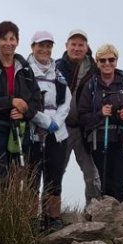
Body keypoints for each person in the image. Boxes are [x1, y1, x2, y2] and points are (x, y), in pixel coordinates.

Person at [0, 21, 42, 177]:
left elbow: (37, 99)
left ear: (17, 41)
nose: (8, 43)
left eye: (12, 39)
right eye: (4, 39)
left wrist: (24, 112)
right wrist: (10, 102)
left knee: (18, 178)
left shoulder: (25, 69)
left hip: (20, 131)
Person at [76, 43, 123, 201]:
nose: (107, 63)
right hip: (99, 140)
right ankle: (108, 214)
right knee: (105, 183)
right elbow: (82, 116)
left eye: (111, 59)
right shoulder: (91, 84)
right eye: (102, 60)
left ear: (116, 61)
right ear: (97, 62)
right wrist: (100, 114)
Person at [26, 31, 72, 230]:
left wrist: (56, 122)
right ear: (33, 47)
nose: (45, 50)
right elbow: (25, 102)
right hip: (32, 132)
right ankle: (31, 219)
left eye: (48, 46)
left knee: (54, 176)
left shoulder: (57, 73)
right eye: (41, 46)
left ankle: (52, 218)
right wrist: (44, 120)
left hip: (57, 134)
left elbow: (66, 101)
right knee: (32, 177)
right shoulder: (25, 71)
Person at [57, 29, 102, 201]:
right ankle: (50, 212)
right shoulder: (57, 67)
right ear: (66, 45)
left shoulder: (95, 68)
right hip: (61, 127)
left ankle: (94, 209)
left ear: (87, 47)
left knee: (92, 173)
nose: (77, 48)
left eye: (81, 45)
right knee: (56, 171)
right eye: (73, 44)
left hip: (85, 128)